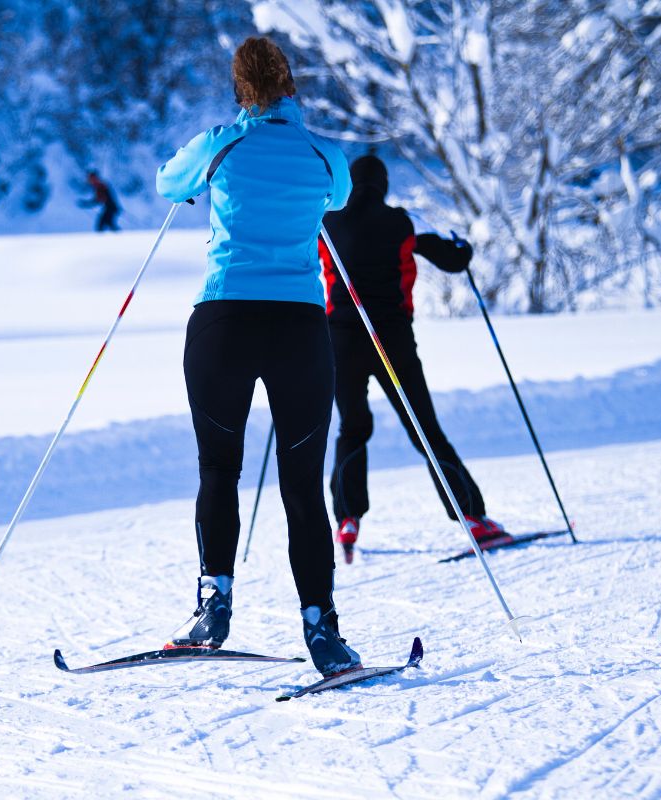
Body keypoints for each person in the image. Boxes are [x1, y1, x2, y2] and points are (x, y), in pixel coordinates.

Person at [156, 36, 359, 676]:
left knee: (219, 468)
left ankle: (213, 600)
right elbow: (340, 199)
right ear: (292, 86)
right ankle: (321, 627)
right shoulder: (323, 154)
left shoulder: (221, 142)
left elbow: (168, 182)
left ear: (238, 89)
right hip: (299, 326)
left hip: (224, 322)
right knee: (302, 484)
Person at [320, 155, 509, 563]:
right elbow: (455, 259)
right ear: (383, 186)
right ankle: (471, 517)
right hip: (392, 339)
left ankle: (347, 518)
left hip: (341, 340)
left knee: (352, 427)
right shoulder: (401, 222)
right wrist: (462, 246)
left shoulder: (327, 221)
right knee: (424, 427)